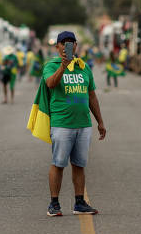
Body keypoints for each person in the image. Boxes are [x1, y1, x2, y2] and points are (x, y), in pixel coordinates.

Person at [42, 31, 105, 217]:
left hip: (83, 124)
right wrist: (63, 66)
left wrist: (100, 121)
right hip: (62, 124)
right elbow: (51, 84)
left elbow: (92, 95)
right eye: (63, 43)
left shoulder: (84, 67)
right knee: (58, 163)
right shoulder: (51, 66)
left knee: (79, 164)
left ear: (75, 46)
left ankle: (79, 203)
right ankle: (54, 204)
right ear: (57, 47)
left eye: (71, 43)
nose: (67, 46)